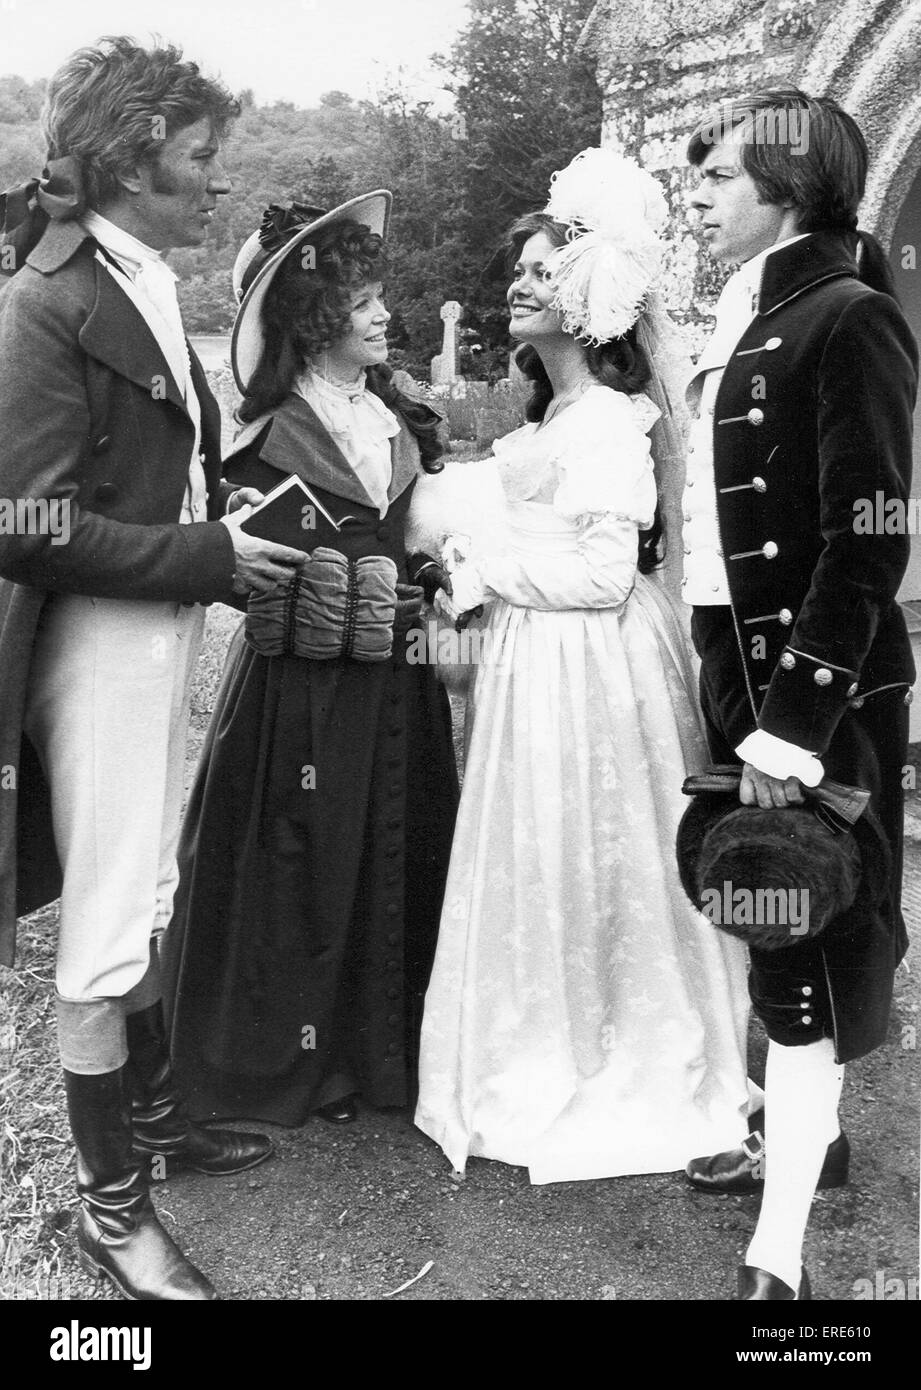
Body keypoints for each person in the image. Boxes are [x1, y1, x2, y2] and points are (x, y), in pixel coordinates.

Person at [0, 40, 309, 1300]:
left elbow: (158, 467)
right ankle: (109, 1212)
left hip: (159, 626)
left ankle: (158, 1127)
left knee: (154, 885)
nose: (214, 184)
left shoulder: (130, 281)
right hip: (99, 644)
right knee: (110, 921)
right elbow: (22, 519)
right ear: (133, 158)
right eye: (198, 160)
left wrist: (226, 521)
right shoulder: (47, 300)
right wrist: (205, 552)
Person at [412, 149, 755, 1184]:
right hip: (541, 654)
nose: (517, 284)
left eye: (539, 270)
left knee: (594, 845)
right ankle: (554, 1027)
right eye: (517, 269)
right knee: (550, 850)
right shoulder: (554, 414)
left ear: (594, 295)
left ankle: (605, 1043)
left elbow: (607, 573)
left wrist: (478, 567)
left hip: (588, 662)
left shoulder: (609, 418)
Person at [680, 88, 917, 1300]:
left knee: (806, 938)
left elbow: (868, 540)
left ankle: (780, 1257)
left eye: (720, 176)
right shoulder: (750, 312)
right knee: (763, 906)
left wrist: (797, 723)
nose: (702, 196)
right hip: (739, 660)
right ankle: (797, 1142)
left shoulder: (851, 316)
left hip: (814, 682)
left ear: (786, 187)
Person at [161, 198, 459, 1128]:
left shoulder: (394, 412)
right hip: (306, 687)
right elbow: (245, 555)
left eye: (380, 299)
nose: (381, 317)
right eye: (361, 302)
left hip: (397, 677)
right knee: (305, 851)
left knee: (393, 837)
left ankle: (384, 1053)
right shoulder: (271, 431)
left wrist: (436, 574)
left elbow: (418, 531)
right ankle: (305, 1058)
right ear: (313, 317)